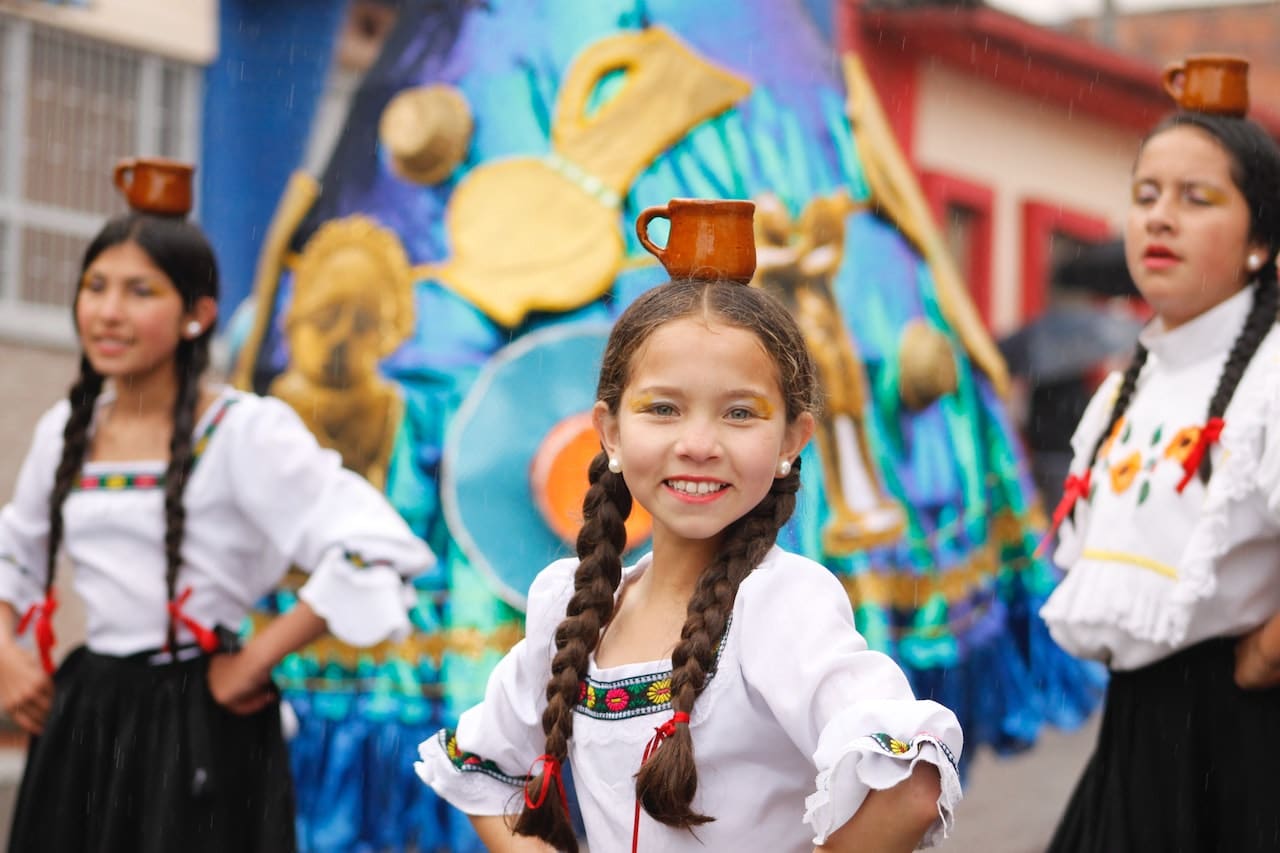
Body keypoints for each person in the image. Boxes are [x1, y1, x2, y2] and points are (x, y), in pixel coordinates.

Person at [415, 276, 963, 852]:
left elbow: (910, 785)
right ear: (610, 432)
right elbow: (480, 766)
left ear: (791, 441)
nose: (698, 443)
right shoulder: (572, 606)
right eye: (663, 409)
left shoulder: (779, 605)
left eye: (740, 413)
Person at [0, 209, 435, 852]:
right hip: (87, 712)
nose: (108, 311)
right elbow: (15, 554)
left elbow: (378, 547)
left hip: (201, 720)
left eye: (139, 291)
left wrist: (255, 659)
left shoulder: (244, 429)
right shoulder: (70, 427)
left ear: (196, 314)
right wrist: (7, 658)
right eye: (96, 286)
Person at [1039, 100, 1280, 850]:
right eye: (1146, 196)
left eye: (1196, 198)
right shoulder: (1127, 384)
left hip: (1243, 734)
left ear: (1260, 239)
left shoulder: (1272, 374)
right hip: (1135, 728)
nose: (1160, 219)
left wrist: (1268, 648)